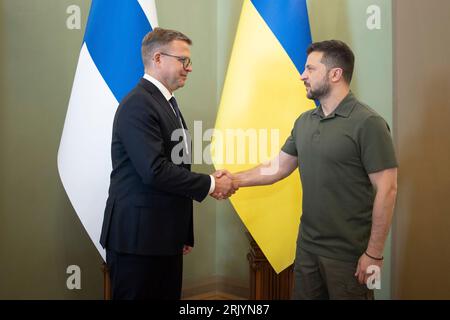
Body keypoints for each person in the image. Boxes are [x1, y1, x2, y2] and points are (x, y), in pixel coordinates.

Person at [216, 40, 398, 299]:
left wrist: (374, 253)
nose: (302, 76)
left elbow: (388, 189)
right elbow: (276, 168)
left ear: (335, 74)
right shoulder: (304, 122)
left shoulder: (368, 123)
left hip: (349, 256)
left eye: (310, 69)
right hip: (307, 249)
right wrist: (234, 179)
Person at [100, 27, 237, 300]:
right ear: (159, 58)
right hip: (138, 241)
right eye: (183, 60)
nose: (189, 67)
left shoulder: (166, 103)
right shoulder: (139, 104)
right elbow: (155, 171)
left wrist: (180, 232)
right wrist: (211, 183)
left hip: (162, 237)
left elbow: (177, 168)